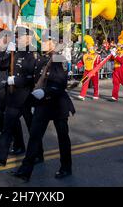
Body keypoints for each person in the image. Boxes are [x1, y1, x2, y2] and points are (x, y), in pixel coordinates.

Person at [11, 38, 75, 182]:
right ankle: (25, 170)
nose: (43, 43)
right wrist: (34, 100)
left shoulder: (60, 60)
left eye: (46, 41)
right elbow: (37, 80)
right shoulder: (42, 59)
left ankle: (66, 167)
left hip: (57, 104)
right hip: (42, 105)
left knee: (63, 138)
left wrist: (45, 92)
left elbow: (60, 84)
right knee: (34, 137)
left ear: (53, 43)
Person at [0, 27, 40, 167]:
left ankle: (38, 154)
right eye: (16, 37)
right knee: (7, 127)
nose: (17, 39)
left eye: (20, 36)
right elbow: (4, 66)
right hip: (13, 97)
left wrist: (16, 81)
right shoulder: (15, 52)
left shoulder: (32, 54)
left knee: (32, 128)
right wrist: (7, 52)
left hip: (26, 97)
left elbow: (32, 78)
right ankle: (0, 157)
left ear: (28, 37)